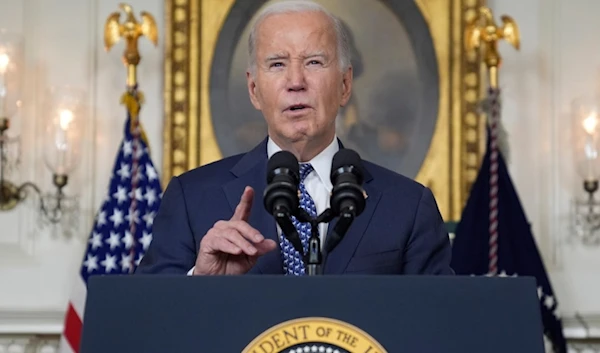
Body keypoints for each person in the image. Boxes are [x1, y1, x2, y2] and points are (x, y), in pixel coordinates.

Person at [136, 0, 454, 276]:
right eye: (277, 64)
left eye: (314, 62)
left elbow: (440, 326)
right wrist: (200, 282)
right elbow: (147, 323)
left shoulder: (409, 206)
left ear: (345, 85)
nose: (295, 81)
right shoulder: (192, 198)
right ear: (254, 90)